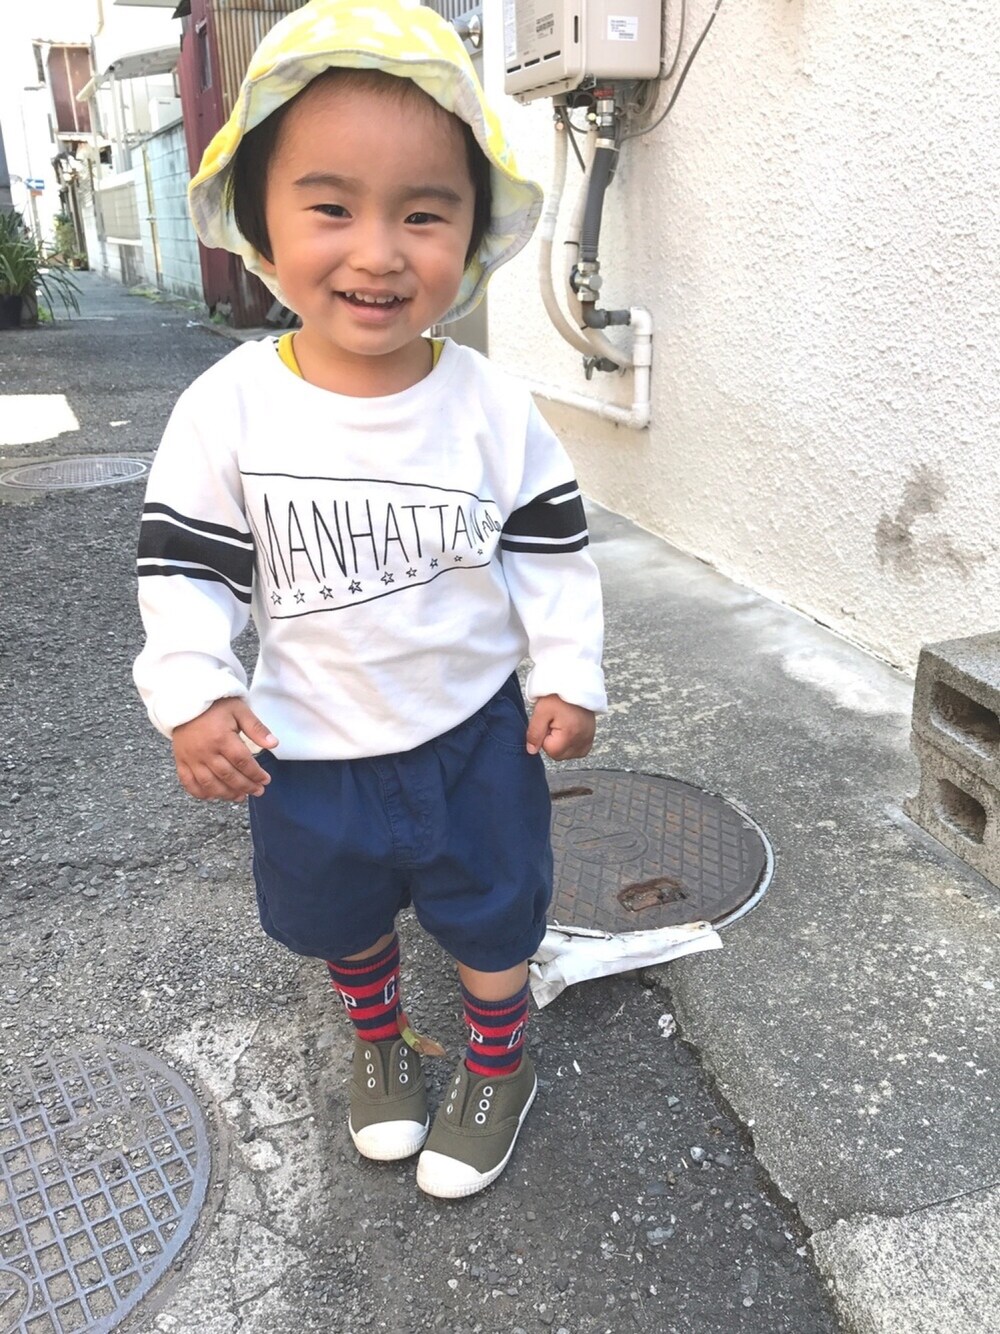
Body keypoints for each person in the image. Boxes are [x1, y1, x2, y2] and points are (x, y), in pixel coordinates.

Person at [133, 0, 606, 1199]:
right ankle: (380, 1040)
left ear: (473, 231)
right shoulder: (230, 408)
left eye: (423, 213)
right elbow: (187, 567)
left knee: (495, 915)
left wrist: (566, 668)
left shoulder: (489, 403)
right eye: (331, 207)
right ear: (259, 218)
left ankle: (496, 1057)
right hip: (306, 743)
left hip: (473, 737)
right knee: (339, 913)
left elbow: (550, 548)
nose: (380, 252)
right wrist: (193, 690)